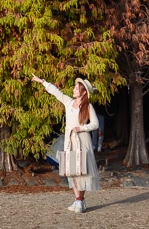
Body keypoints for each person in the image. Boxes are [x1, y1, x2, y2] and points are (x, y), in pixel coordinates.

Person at [32, 75, 99, 213]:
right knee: (72, 171)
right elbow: (57, 93)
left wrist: (81, 128)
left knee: (82, 171)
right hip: (70, 140)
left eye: (76, 88)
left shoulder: (88, 106)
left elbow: (95, 124)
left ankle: (80, 201)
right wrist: (43, 81)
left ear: (84, 92)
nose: (74, 90)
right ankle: (78, 200)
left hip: (82, 139)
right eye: (74, 88)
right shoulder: (68, 102)